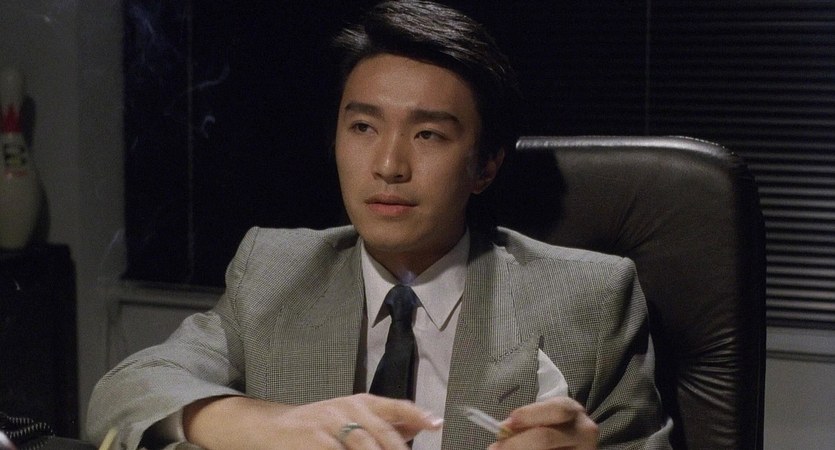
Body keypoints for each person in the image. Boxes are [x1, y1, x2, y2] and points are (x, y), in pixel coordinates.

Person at [86, 1, 672, 449]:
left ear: (486, 166)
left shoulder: (589, 298)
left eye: (429, 135)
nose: (388, 166)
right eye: (363, 128)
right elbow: (125, 392)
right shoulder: (274, 271)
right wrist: (265, 424)